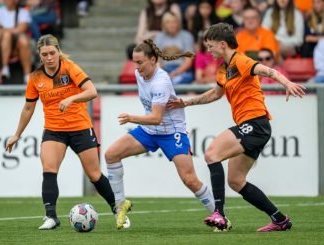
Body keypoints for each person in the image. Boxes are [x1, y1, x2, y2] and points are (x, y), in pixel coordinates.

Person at [167, 23, 306, 232]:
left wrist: (286, 82)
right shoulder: (224, 69)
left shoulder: (240, 60)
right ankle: (279, 219)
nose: (209, 50)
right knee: (236, 181)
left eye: (210, 46)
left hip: (256, 123)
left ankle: (219, 215)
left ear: (222, 44)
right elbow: (215, 94)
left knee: (212, 154)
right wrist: (186, 102)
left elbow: (266, 70)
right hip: (251, 125)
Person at [5, 34, 130, 230]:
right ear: (39, 55)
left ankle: (118, 210)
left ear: (58, 51)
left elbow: (92, 91)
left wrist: (71, 99)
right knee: (49, 170)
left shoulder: (69, 67)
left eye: (52, 53)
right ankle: (51, 217)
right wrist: (17, 134)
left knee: (94, 174)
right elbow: (28, 108)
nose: (49, 58)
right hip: (54, 130)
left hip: (80, 127)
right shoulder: (35, 77)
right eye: (44, 54)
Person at [104, 39, 216, 227]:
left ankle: (219, 215)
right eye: (134, 62)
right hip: (150, 131)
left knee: (189, 179)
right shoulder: (139, 74)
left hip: (172, 132)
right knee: (111, 155)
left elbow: (156, 117)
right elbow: (153, 121)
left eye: (140, 62)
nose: (136, 67)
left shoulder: (161, 82)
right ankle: (120, 204)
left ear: (153, 60)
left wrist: (131, 117)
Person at [154, 11, 195, 84]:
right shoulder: (159, 37)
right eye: (168, 22)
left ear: (178, 23)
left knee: (186, 77)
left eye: (174, 22)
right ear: (163, 24)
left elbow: (188, 62)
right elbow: (157, 60)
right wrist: (162, 74)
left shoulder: (187, 36)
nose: (171, 25)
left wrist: (175, 73)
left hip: (182, 70)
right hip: (165, 69)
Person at [0, 0, 32, 83]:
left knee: (23, 41)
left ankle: (27, 75)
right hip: (0, 43)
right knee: (7, 36)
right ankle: (4, 68)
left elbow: (21, 28)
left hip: (16, 44)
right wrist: (7, 32)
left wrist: (4, 30)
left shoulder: (23, 12)